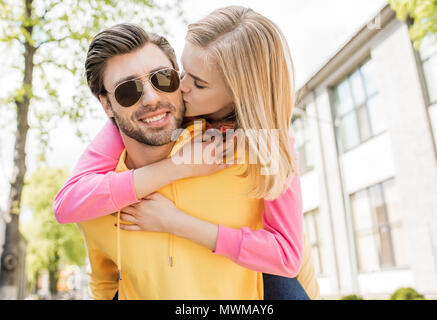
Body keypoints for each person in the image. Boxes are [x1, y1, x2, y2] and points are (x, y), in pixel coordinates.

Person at [54, 7, 319, 300]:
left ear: (237, 94)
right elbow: (68, 203)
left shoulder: (267, 145)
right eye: (181, 72)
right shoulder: (134, 127)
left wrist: (177, 223)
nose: (179, 87)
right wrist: (178, 167)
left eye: (164, 78)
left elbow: (288, 259)